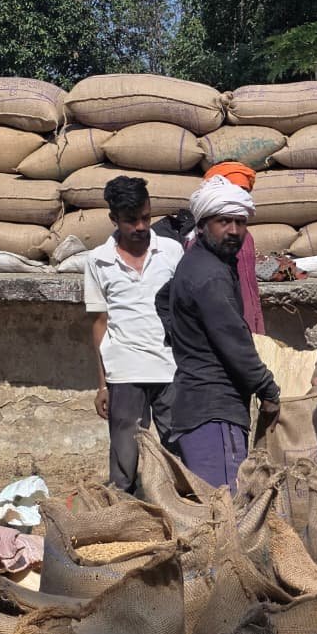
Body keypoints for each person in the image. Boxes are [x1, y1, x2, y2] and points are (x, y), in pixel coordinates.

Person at [156, 176, 280, 489]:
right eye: (224, 222)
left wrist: (186, 338)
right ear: (203, 225)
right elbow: (235, 342)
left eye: (240, 222)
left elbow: (162, 299)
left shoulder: (201, 262)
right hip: (214, 411)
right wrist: (267, 390)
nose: (234, 230)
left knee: (215, 506)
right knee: (228, 505)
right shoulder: (211, 275)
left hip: (199, 405)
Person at [83, 176, 184, 493]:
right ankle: (123, 513)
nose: (141, 227)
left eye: (146, 217)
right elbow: (100, 323)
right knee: (124, 461)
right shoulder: (98, 261)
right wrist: (102, 385)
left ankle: (181, 508)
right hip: (124, 372)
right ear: (113, 218)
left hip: (170, 368)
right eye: (131, 220)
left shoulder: (172, 252)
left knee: (179, 451)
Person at [152, 161, 266, 336]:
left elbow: (249, 290)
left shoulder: (244, 237)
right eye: (235, 190)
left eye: (244, 192)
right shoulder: (200, 243)